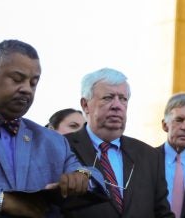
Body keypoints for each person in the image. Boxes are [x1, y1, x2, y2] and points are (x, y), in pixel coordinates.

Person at [0, 40, 97, 218]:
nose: (27, 90)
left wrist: (82, 176)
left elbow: (88, 174)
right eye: (17, 79)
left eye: (33, 83)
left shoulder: (52, 141)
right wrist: (2, 201)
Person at [64, 68, 174, 218]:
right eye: (108, 98)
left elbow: (162, 213)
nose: (117, 105)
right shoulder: (63, 148)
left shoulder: (149, 156)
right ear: (85, 105)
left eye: (123, 98)